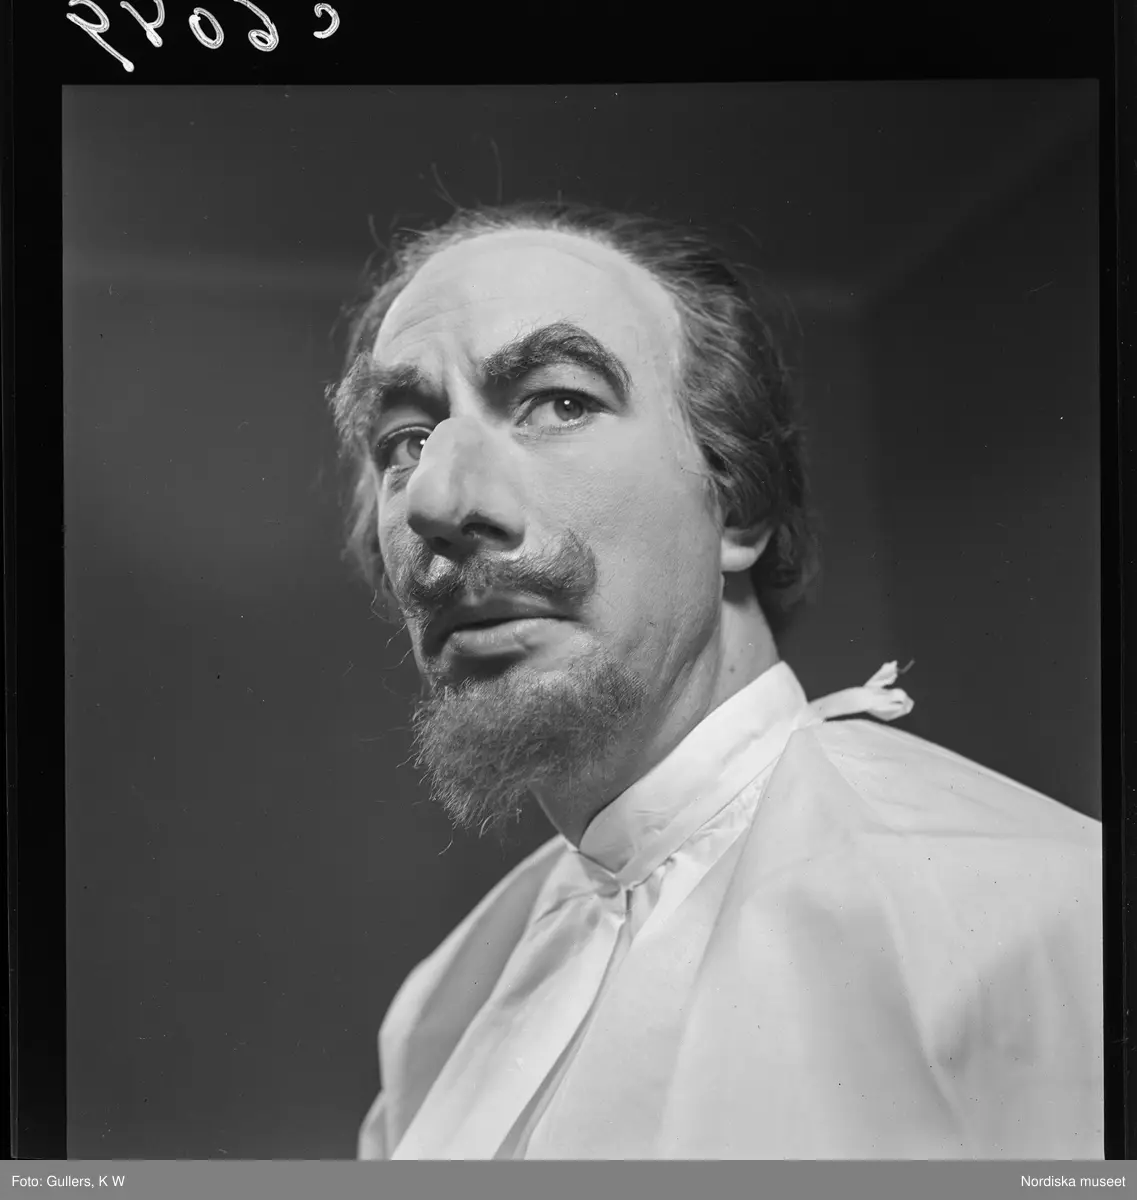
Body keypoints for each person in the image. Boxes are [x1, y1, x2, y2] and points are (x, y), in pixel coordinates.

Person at [327, 200, 1102, 1160]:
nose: (439, 499)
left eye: (559, 402)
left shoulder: (1044, 918)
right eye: (405, 440)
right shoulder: (436, 1019)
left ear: (736, 506)